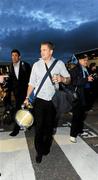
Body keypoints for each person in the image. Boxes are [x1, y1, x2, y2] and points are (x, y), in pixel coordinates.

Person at [24, 41, 71, 163]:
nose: (41, 52)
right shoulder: (36, 65)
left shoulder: (59, 64)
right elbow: (31, 84)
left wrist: (62, 79)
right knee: (39, 127)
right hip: (39, 101)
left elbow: (68, 80)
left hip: (53, 101)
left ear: (51, 51)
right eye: (41, 50)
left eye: (44, 49)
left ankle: (46, 146)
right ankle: (39, 151)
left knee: (49, 128)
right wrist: (27, 97)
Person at [69, 54, 94, 143]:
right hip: (78, 95)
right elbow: (73, 82)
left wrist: (91, 79)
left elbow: (89, 80)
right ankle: (72, 135)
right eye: (84, 60)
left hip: (86, 94)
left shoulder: (87, 69)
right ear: (79, 61)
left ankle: (79, 129)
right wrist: (86, 79)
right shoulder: (75, 70)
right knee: (76, 115)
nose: (86, 61)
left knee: (82, 115)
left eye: (87, 60)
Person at [8, 49, 31, 136]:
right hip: (17, 94)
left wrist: (29, 93)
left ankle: (29, 124)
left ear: (19, 57)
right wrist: (9, 92)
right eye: (12, 55)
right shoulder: (10, 66)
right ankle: (16, 129)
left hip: (26, 93)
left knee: (28, 109)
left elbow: (31, 79)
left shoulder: (25, 65)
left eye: (15, 55)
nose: (13, 57)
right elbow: (11, 80)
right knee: (18, 110)